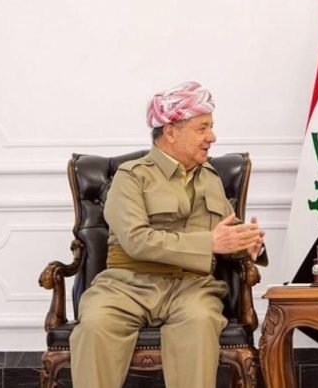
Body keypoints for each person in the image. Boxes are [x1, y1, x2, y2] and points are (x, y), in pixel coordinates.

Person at [70, 81, 267, 388]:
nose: (212, 137)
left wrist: (248, 244)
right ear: (171, 132)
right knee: (96, 324)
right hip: (127, 286)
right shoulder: (131, 177)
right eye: (203, 128)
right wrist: (209, 243)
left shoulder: (210, 178)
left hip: (192, 287)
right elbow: (136, 240)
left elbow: (225, 235)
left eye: (211, 127)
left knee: (200, 321)